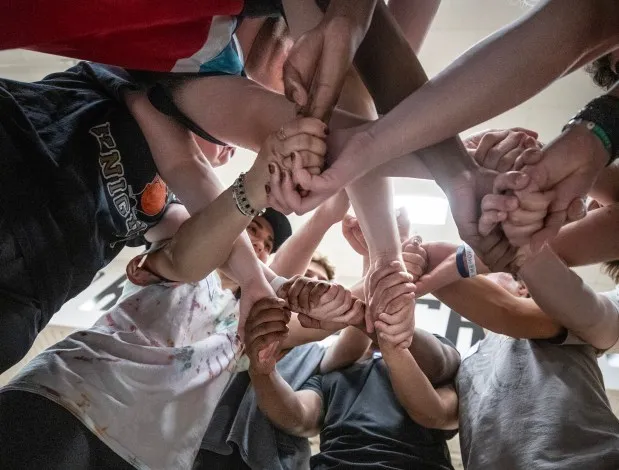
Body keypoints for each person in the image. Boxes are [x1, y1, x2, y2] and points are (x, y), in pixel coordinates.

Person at [248, 274, 460, 470]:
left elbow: (438, 368)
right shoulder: (331, 373)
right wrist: (263, 372)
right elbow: (299, 417)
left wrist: (363, 318)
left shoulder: (435, 358)